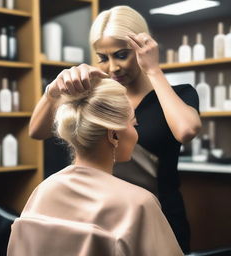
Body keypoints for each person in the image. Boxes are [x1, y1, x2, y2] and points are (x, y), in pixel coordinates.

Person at [29, 5, 202, 253]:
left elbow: (186, 130)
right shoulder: (100, 96)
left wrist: (153, 69)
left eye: (121, 55)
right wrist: (52, 92)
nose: (112, 68)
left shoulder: (178, 95)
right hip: (101, 216)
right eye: (103, 58)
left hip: (158, 215)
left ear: (143, 49)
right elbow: (37, 132)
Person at [7, 78, 183, 256]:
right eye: (133, 124)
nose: (136, 132)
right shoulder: (138, 205)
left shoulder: (42, 191)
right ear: (113, 134)